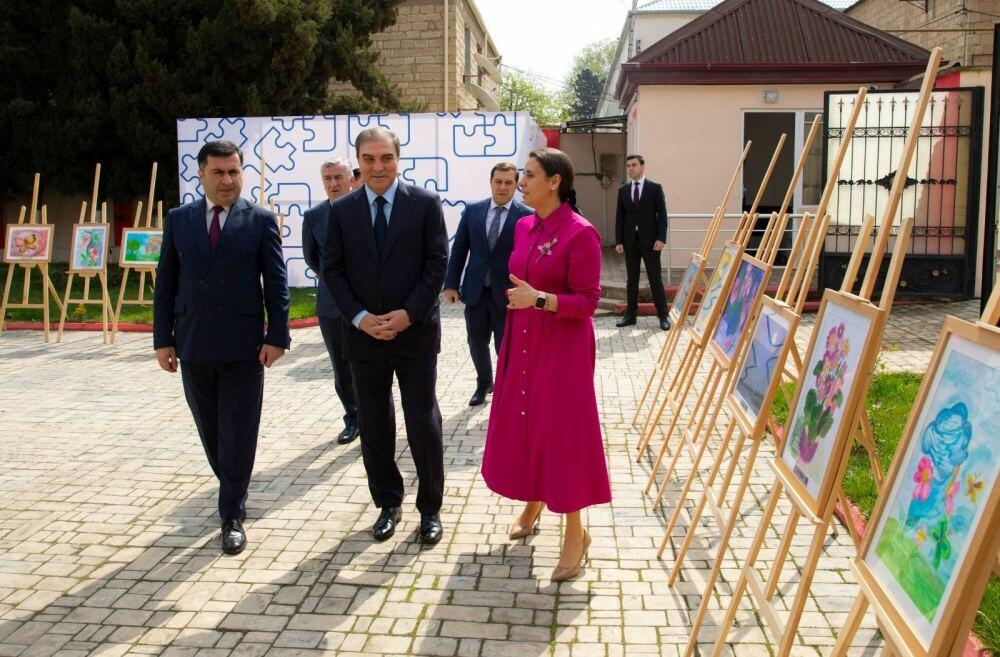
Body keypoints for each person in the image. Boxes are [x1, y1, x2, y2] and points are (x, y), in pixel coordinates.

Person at [153, 140, 290, 555]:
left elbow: (277, 284)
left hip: (244, 346)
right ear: (201, 175)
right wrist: (163, 339)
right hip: (194, 343)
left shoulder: (260, 220)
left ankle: (231, 514)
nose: (227, 180)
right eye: (218, 172)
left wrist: (277, 336)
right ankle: (231, 483)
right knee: (211, 431)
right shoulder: (179, 219)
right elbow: (166, 283)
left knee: (239, 432)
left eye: (233, 171)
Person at [481, 147, 611, 582]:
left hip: (563, 349)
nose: (521, 182)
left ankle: (576, 532)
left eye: (530, 175)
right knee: (525, 421)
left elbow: (588, 302)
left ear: (554, 182)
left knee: (562, 434)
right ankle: (533, 500)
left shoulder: (580, 233)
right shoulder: (523, 225)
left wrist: (538, 299)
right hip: (522, 340)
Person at [322, 127, 449, 545]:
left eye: (386, 157)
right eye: (369, 159)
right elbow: (333, 270)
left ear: (398, 158)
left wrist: (409, 314)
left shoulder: (425, 204)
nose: (378, 167)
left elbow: (437, 264)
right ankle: (387, 502)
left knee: (422, 422)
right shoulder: (342, 211)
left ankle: (429, 508)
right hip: (364, 338)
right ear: (358, 161)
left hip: (415, 335)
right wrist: (359, 317)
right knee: (374, 425)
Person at [443, 162, 532, 406]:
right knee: (476, 342)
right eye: (498, 182)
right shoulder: (473, 210)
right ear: (491, 182)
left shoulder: (526, 216)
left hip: (508, 294)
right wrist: (451, 284)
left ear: (516, 185)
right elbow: (460, 249)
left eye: (508, 182)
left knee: (505, 346)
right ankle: (484, 383)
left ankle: (505, 388)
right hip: (475, 291)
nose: (502, 187)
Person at [302, 158, 359, 445]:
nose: (333, 183)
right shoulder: (314, 216)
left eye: (338, 177)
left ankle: (374, 416)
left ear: (351, 179)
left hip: (368, 305)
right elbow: (313, 259)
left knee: (370, 365)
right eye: (328, 178)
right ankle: (353, 416)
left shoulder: (366, 210)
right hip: (332, 306)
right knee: (341, 366)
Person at [614, 154, 670, 331]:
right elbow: (620, 217)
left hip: (651, 242)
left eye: (634, 165)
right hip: (630, 242)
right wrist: (619, 241)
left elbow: (662, 215)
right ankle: (631, 315)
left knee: (655, 279)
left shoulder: (655, 188)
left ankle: (663, 315)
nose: (631, 168)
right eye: (628, 166)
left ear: (642, 167)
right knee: (632, 280)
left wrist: (661, 238)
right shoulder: (623, 191)